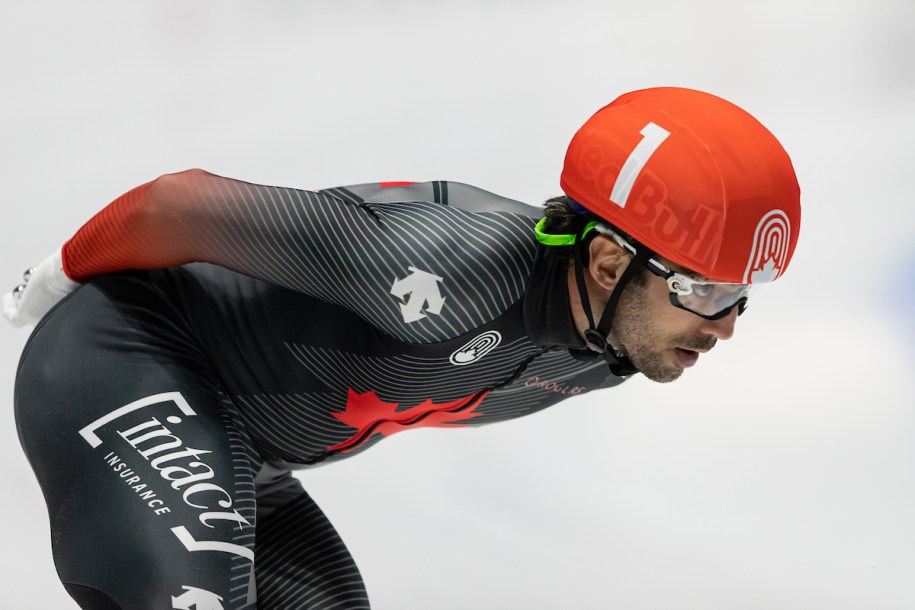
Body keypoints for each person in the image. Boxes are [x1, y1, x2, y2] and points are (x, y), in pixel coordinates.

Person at [4, 87, 801, 610]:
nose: (725, 323)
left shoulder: (617, 346)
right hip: (124, 354)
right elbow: (176, 204)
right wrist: (53, 279)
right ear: (603, 262)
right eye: (703, 291)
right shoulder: (453, 267)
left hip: (246, 450)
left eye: (740, 297)